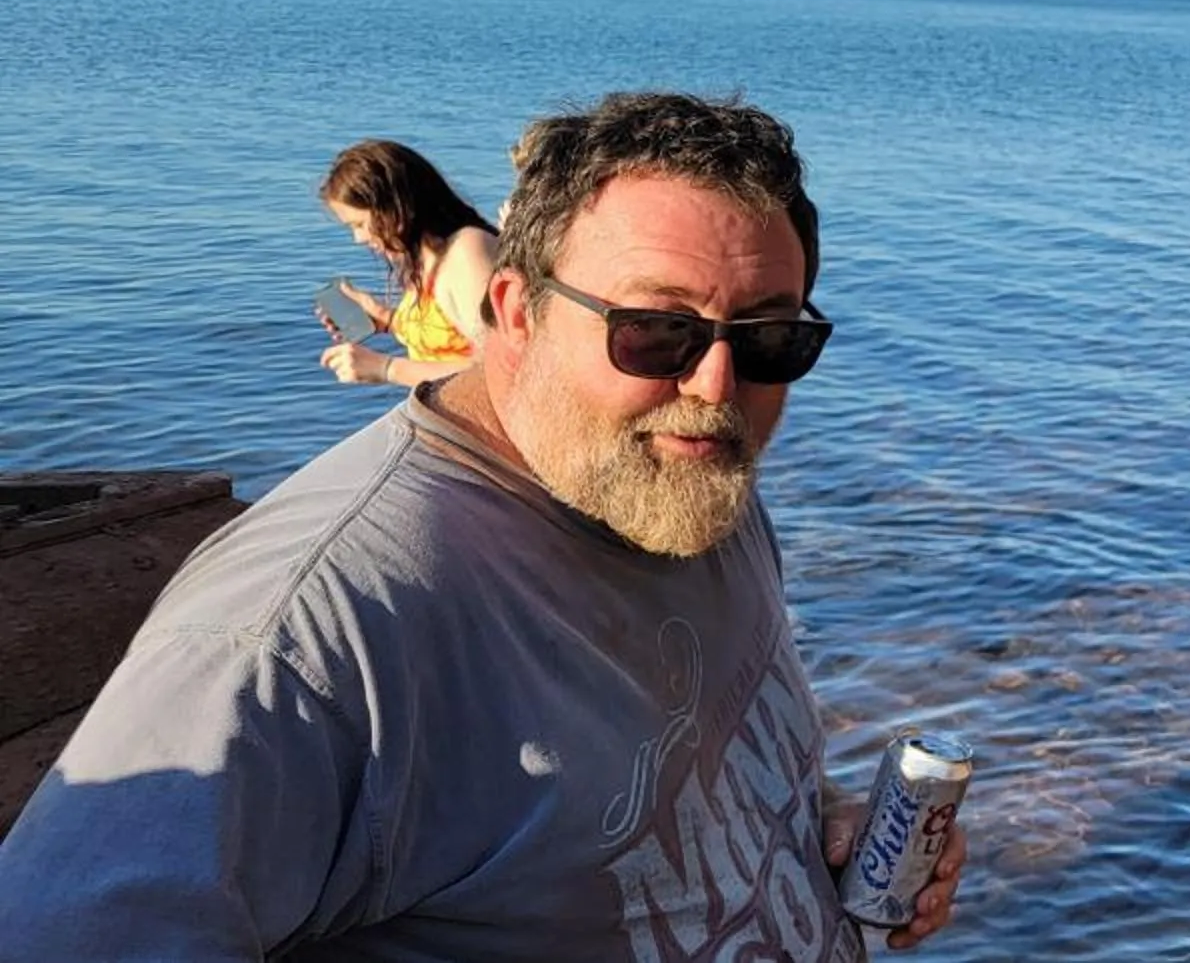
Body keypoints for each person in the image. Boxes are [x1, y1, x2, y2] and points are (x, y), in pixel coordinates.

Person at [0, 93, 968, 958]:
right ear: (515, 308)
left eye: (769, 338)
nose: (714, 389)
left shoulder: (695, 494)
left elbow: (713, 765)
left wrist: (825, 828)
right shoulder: (299, 640)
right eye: (655, 332)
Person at [316, 139, 500, 389]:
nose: (358, 239)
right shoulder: (425, 259)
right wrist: (384, 319)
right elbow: (447, 341)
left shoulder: (467, 253)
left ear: (395, 207)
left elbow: (500, 369)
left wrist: (386, 368)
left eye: (359, 225)